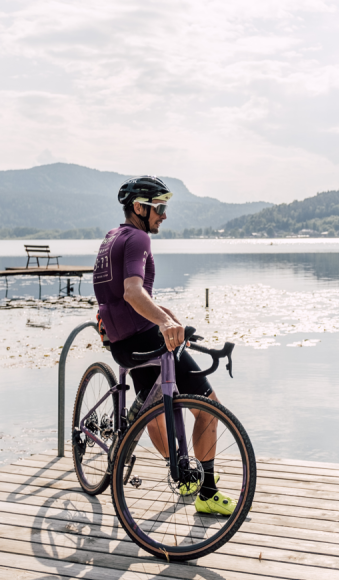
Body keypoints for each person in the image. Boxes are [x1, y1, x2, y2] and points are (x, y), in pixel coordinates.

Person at [92, 176, 235, 515]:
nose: (164, 216)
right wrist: (166, 323)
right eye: (160, 208)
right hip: (148, 340)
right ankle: (208, 492)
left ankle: (182, 475)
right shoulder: (139, 237)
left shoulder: (111, 238)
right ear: (139, 207)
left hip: (123, 345)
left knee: (157, 408)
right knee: (209, 407)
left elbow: (121, 298)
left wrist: (168, 315)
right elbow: (131, 292)